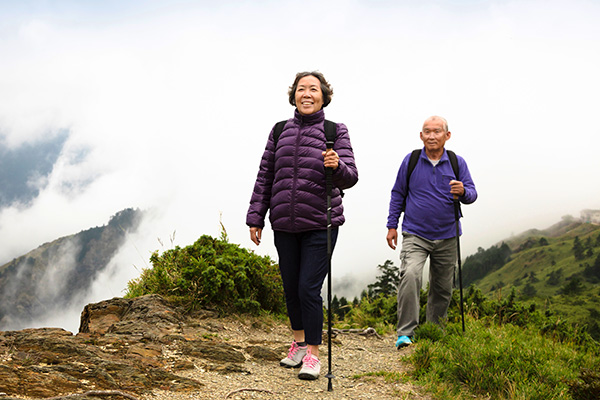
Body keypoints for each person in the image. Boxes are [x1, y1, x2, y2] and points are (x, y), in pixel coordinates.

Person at [246, 71, 358, 380]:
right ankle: (297, 342)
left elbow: (350, 177)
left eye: (313, 89)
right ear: (293, 95)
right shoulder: (280, 130)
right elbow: (265, 175)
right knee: (291, 287)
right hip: (284, 222)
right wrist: (256, 216)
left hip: (321, 222)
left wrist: (337, 166)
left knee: (309, 288)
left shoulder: (335, 131)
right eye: (300, 89)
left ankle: (312, 354)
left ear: (324, 95)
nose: (306, 93)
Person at [386, 116, 477, 348]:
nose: (432, 136)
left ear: (447, 135)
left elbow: (473, 194)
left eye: (437, 131)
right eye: (427, 131)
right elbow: (398, 193)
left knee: (442, 287)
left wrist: (463, 191)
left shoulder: (457, 163)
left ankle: (433, 331)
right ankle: (406, 333)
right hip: (415, 233)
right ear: (421, 136)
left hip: (448, 235)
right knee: (410, 276)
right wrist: (392, 225)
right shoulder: (412, 160)